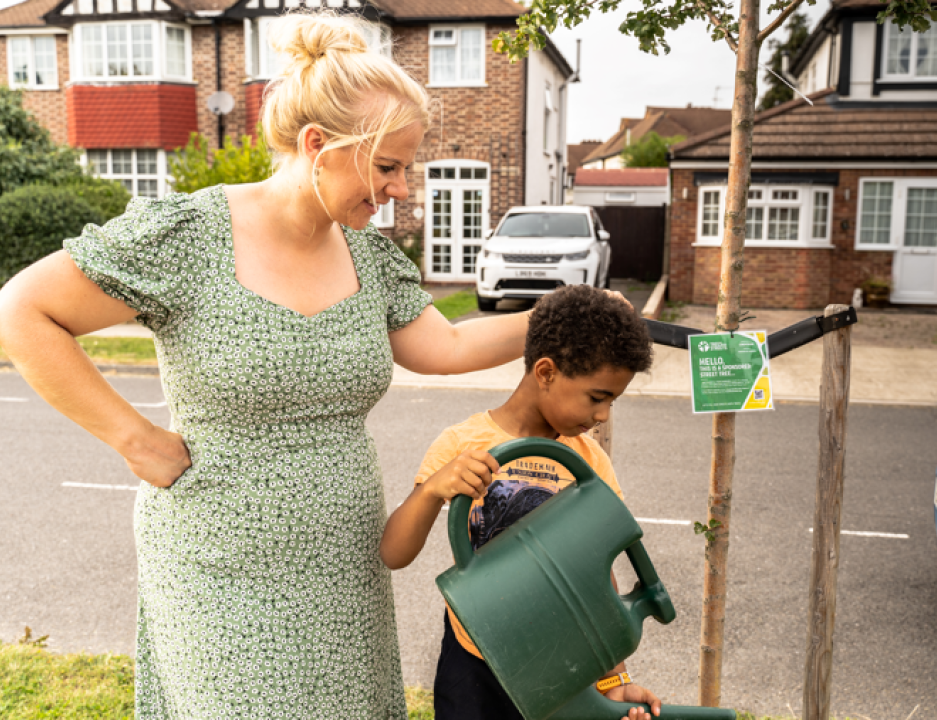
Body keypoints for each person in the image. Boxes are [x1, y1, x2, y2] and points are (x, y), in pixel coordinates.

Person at [0, 12, 573, 719]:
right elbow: (21, 312)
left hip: (343, 564)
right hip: (215, 564)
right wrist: (134, 439)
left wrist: (566, 317)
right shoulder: (188, 237)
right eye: (387, 166)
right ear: (318, 146)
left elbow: (447, 348)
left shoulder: (369, 258)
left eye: (407, 167)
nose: (402, 188)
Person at [380, 285, 661, 720]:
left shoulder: (589, 464)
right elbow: (394, 553)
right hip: (473, 659)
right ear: (546, 372)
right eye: (597, 397)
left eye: (612, 401)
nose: (603, 415)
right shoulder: (463, 443)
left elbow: (596, 576)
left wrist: (612, 680)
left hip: (563, 663)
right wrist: (435, 487)